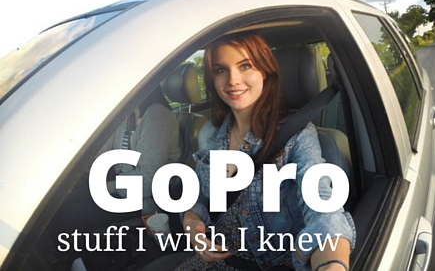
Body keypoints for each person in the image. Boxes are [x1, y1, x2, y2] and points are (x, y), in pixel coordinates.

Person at [175, 34, 355, 271]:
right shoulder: (210, 133)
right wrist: (191, 221)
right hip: (216, 260)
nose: (232, 80)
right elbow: (198, 197)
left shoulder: (298, 135)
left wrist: (332, 265)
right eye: (221, 70)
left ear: (264, 71)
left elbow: (322, 206)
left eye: (245, 66)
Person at [50, 85, 181, 234]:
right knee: (62, 200)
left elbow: (147, 183)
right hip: (123, 188)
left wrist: (106, 187)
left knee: (72, 215)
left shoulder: (157, 117)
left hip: (145, 198)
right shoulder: (130, 115)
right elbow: (104, 150)